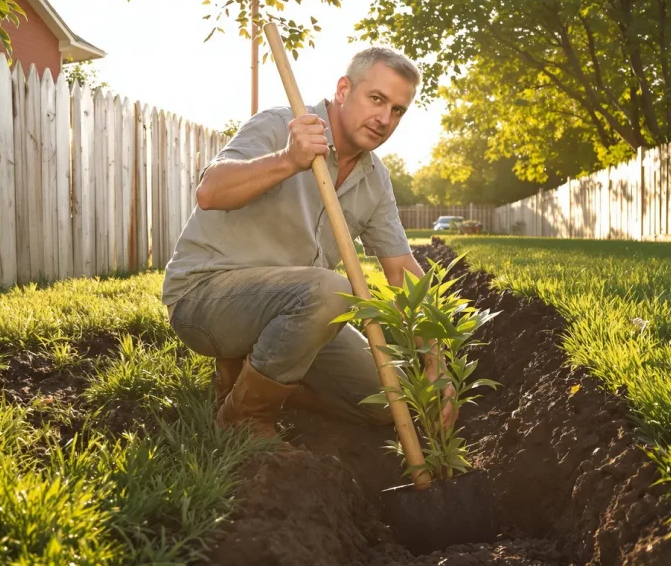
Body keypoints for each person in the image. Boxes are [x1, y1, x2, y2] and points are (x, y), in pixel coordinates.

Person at [160, 47, 456, 439]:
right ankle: (243, 416)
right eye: (377, 99)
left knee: (390, 397)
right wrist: (288, 160)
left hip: (296, 314)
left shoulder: (374, 178)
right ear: (343, 88)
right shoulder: (281, 125)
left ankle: (264, 381)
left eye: (398, 110)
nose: (385, 119)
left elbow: (401, 269)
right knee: (334, 289)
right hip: (206, 300)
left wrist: (435, 362)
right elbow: (210, 192)